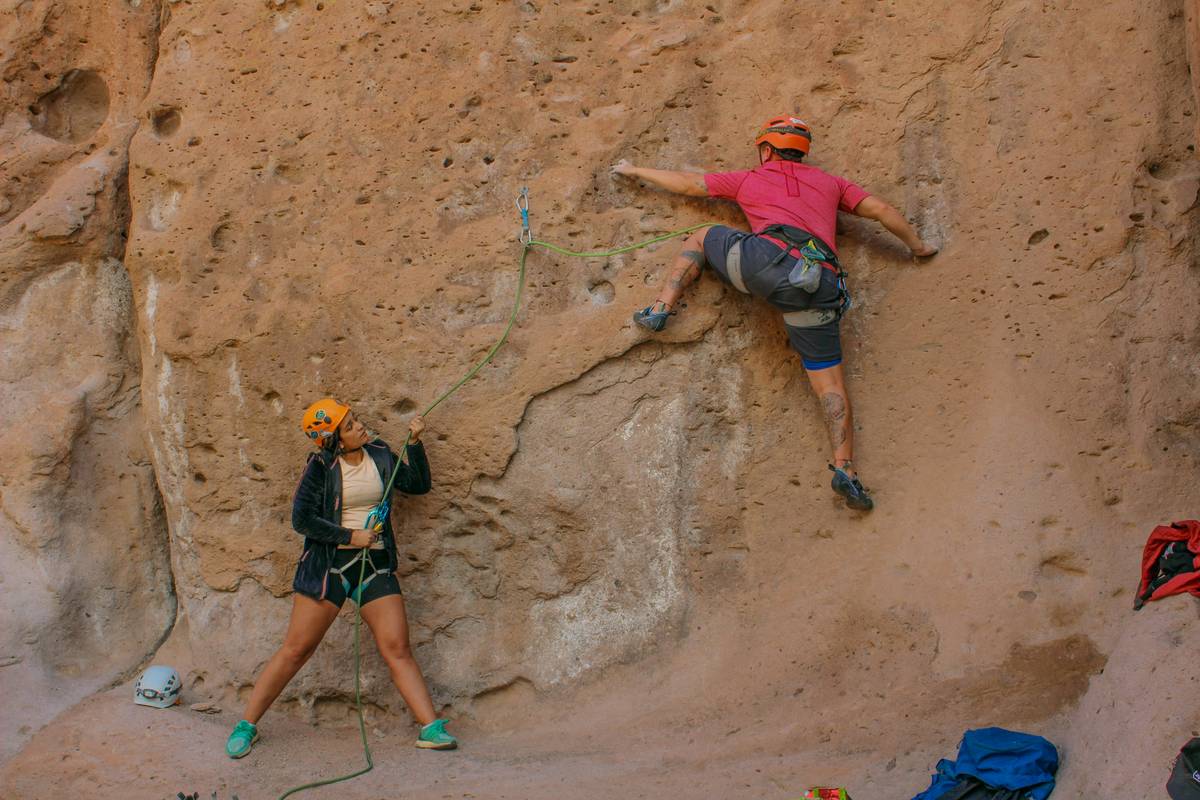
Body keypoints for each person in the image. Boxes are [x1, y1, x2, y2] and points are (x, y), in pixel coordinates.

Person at [612, 115, 938, 511]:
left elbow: (689, 185)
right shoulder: (832, 184)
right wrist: (918, 247)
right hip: (818, 285)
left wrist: (632, 170)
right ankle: (845, 471)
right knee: (830, 385)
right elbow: (882, 210)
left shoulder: (751, 178)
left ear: (766, 149)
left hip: (764, 263)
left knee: (703, 234)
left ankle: (660, 308)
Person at [224, 398, 457, 758]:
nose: (359, 427)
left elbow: (418, 484)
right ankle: (247, 725)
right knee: (296, 650)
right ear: (334, 440)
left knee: (397, 647)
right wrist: (350, 537)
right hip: (328, 568)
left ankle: (430, 727)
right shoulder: (320, 466)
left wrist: (414, 444)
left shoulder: (379, 453)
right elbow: (302, 520)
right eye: (349, 426)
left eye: (355, 420)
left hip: (373, 564)